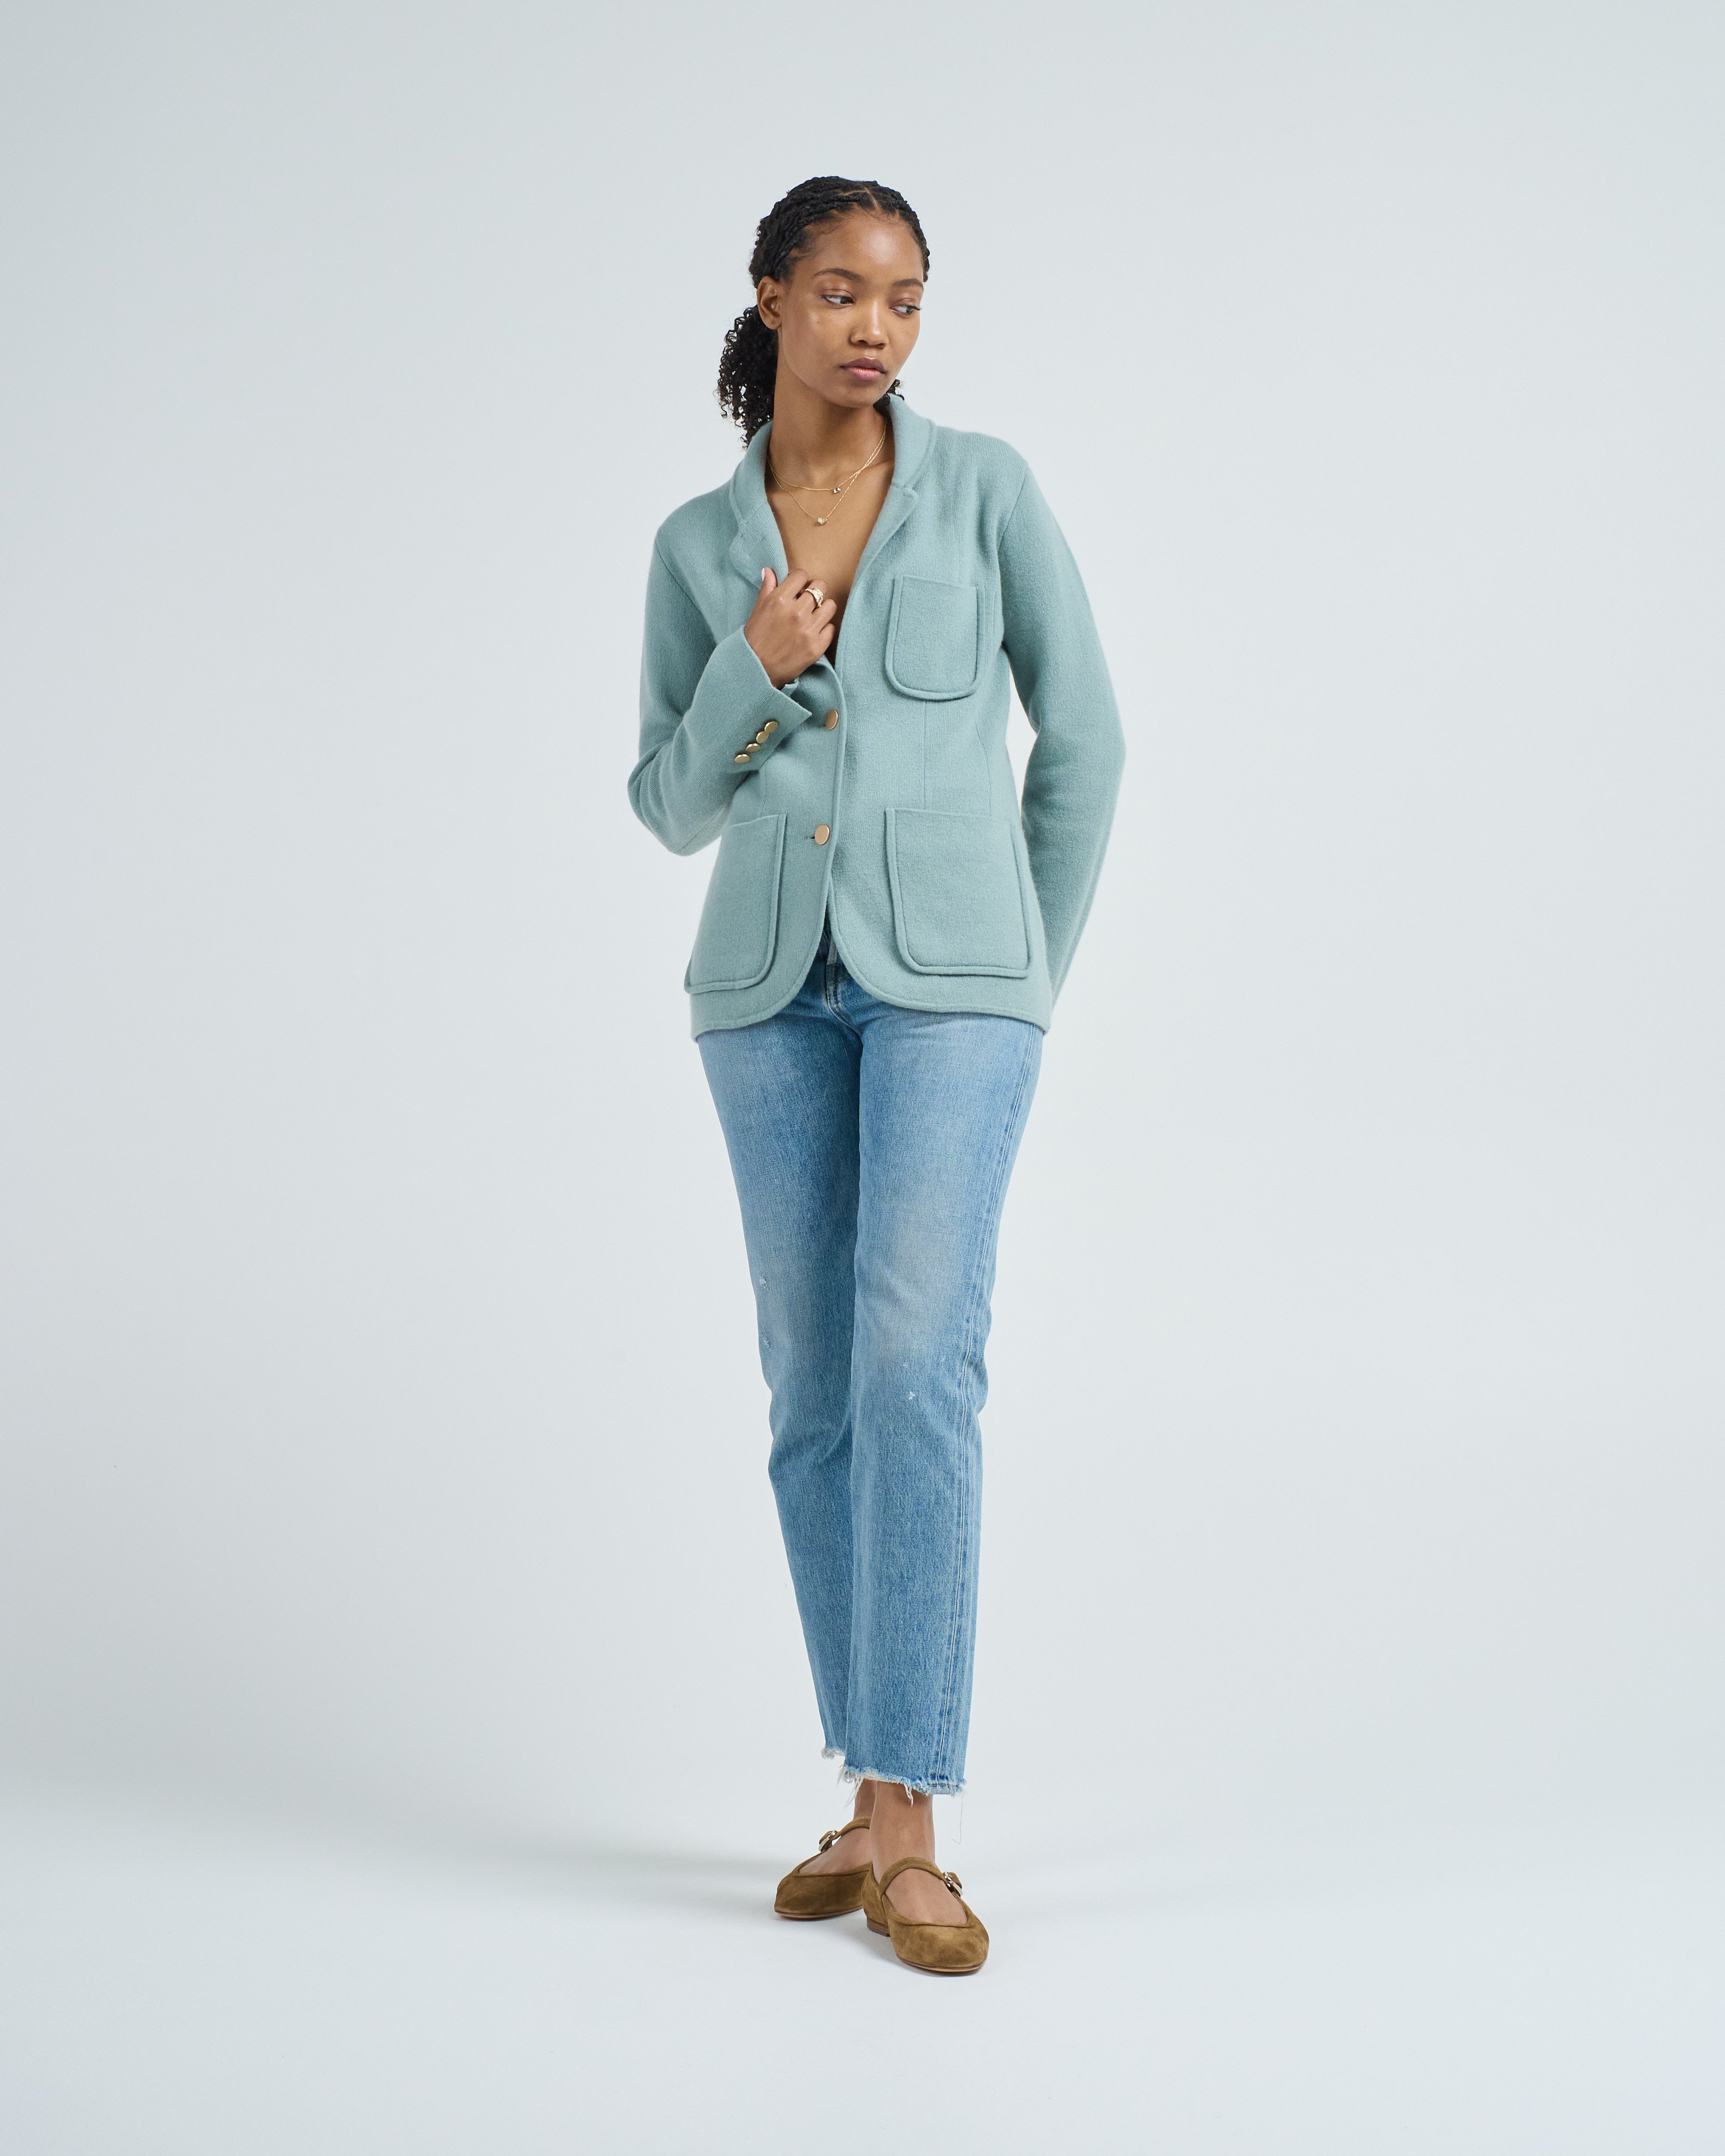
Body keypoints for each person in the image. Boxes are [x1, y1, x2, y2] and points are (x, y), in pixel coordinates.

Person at [628, 176, 1123, 1974]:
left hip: (956, 994)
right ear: (771, 298)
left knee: (919, 1360)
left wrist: (1024, 971)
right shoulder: (698, 543)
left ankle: (910, 1821)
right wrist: (752, 672)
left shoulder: (984, 490)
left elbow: (1088, 739)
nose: (875, 327)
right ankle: (865, 1792)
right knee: (814, 1394)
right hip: (766, 994)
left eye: (905, 299)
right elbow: (666, 804)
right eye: (841, 291)